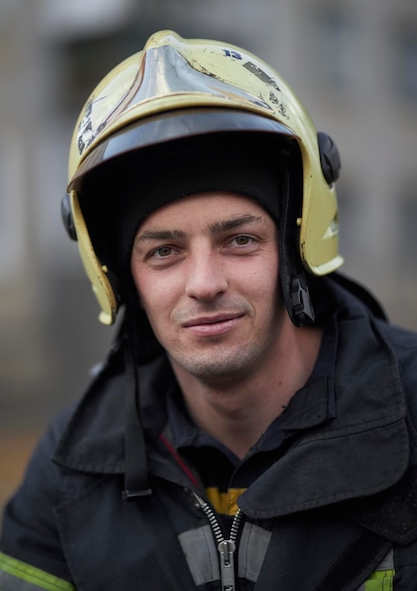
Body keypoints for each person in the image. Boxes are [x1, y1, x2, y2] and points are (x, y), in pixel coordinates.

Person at [1, 30, 417, 591]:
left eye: (239, 240)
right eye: (164, 252)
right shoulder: (70, 467)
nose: (204, 283)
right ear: (123, 278)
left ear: (293, 254)